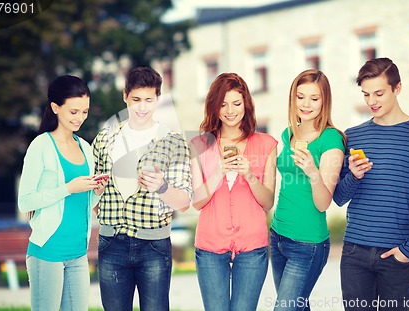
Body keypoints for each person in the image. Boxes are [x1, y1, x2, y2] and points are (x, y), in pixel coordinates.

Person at [333, 57, 409, 311]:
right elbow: (338, 197)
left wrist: (408, 250)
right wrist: (354, 177)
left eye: (379, 93)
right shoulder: (353, 136)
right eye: (366, 94)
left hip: (397, 254)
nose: (372, 101)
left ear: (398, 88)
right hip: (354, 254)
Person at [93, 66, 192, 311]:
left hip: (153, 246)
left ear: (158, 98)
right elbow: (91, 191)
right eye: (136, 99)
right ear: (125, 96)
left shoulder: (173, 141)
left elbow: (183, 202)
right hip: (111, 243)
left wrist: (162, 187)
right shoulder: (105, 139)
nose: (142, 107)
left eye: (149, 100)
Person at [190, 73, 277, 310]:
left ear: (246, 105)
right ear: (214, 107)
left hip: (252, 247)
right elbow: (196, 202)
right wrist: (218, 172)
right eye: (223, 104)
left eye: (236, 103)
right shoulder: (199, 145)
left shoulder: (266, 144)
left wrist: (249, 175)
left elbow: (268, 201)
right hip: (209, 247)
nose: (230, 110)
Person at [18, 75, 106, 311]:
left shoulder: (86, 149)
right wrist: (68, 188)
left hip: (78, 252)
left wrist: (97, 191)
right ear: (56, 108)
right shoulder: (41, 146)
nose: (80, 118)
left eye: (85, 112)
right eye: (74, 112)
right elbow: (25, 201)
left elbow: (84, 202)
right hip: (48, 251)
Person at [270, 69, 345, 310]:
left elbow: (323, 203)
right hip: (278, 235)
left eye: (314, 98)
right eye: (300, 96)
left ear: (325, 101)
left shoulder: (331, 140)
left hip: (308, 243)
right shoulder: (289, 133)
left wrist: (312, 171)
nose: (306, 104)